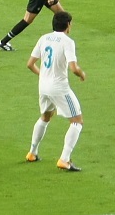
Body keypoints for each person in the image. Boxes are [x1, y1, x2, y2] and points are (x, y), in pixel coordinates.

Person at [24, 10, 87, 172]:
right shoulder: (67, 41)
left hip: (43, 85)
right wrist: (81, 74)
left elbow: (30, 64)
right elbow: (73, 68)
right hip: (59, 87)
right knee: (77, 121)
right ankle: (64, 159)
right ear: (68, 25)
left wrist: (44, 75)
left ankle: (32, 152)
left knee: (45, 116)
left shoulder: (43, 38)